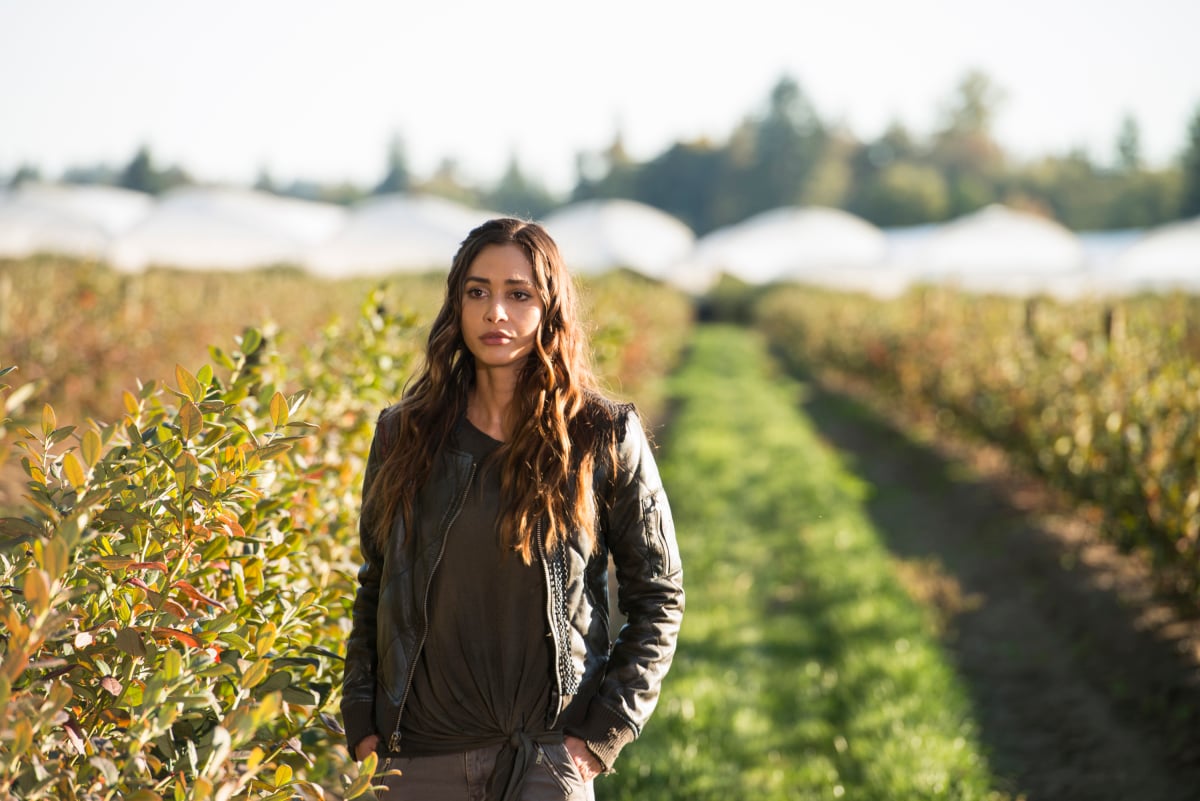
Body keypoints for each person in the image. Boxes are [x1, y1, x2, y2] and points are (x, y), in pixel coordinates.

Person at [340, 217, 684, 801]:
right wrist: (363, 721)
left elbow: (658, 594)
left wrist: (598, 737)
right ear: (457, 305)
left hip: (548, 758)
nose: (495, 312)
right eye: (478, 292)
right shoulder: (404, 434)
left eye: (517, 294)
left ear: (550, 308)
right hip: (419, 757)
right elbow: (378, 583)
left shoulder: (601, 434)